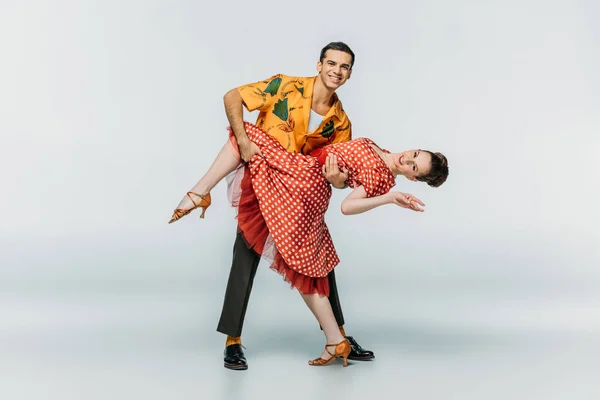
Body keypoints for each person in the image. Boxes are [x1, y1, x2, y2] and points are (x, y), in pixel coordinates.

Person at [169, 121, 449, 367]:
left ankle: (198, 193)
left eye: (413, 167)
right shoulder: (380, 149)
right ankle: (335, 340)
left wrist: (389, 198)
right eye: (414, 154)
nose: (407, 160)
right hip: (304, 178)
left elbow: (348, 206)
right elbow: (342, 168)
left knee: (249, 137)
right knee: (311, 262)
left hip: (304, 183)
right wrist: (339, 179)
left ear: (413, 178)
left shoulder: (383, 178)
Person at [198, 41, 375, 370]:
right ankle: (232, 341)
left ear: (350, 75)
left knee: (321, 260)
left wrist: (338, 180)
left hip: (299, 198)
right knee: (245, 254)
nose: (337, 70)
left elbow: (336, 178)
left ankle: (339, 336)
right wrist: (245, 140)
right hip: (263, 183)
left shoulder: (341, 124)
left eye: (344, 67)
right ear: (319, 65)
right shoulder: (286, 86)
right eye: (332, 63)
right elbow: (232, 97)